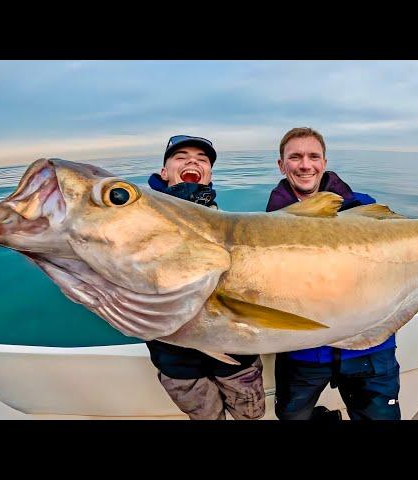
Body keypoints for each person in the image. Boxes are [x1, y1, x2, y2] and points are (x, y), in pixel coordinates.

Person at [266, 127, 401, 421]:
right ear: (281, 164)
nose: (305, 165)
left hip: (370, 346)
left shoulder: (365, 207)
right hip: (301, 352)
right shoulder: (267, 225)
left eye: (313, 156)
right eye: (295, 157)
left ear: (324, 162)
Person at [145, 134, 265, 420]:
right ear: (164, 172)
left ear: (209, 174)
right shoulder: (144, 223)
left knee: (251, 415)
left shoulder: (228, 225)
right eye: (181, 156)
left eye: (202, 160)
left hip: (236, 354)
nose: (192, 161)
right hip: (177, 359)